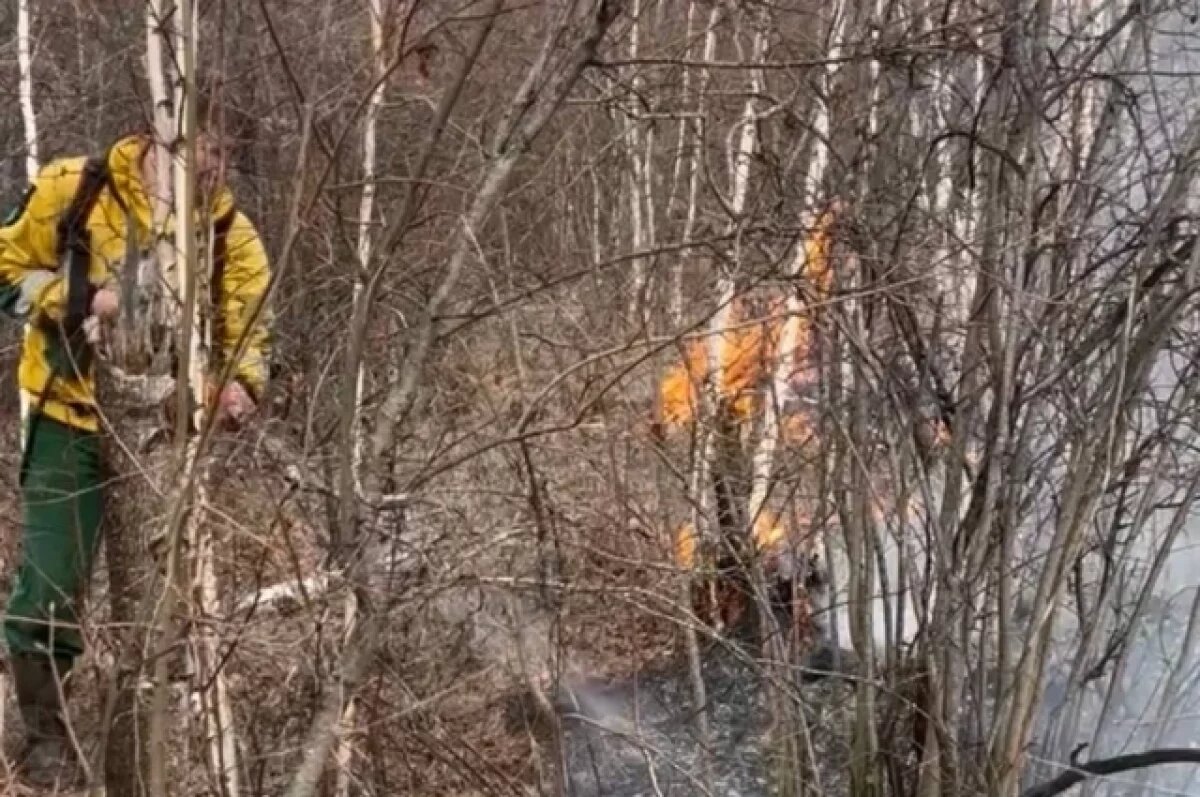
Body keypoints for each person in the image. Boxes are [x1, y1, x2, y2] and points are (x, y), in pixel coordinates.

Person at [0, 114, 272, 786]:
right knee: (51, 588)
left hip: (163, 441)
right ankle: (44, 737)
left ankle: (143, 754)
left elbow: (250, 333)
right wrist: (85, 297)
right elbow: (5, 268)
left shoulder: (229, 238)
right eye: (198, 144)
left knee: (157, 612)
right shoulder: (76, 188)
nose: (209, 163)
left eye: (223, 149)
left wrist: (238, 387)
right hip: (71, 420)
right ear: (159, 132)